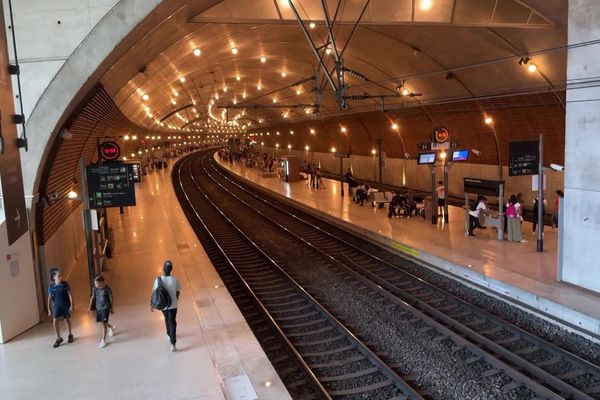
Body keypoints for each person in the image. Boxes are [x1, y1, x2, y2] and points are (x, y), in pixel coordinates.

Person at [152, 260, 181, 352]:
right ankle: (173, 344)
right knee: (172, 322)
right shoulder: (175, 280)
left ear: (163, 269)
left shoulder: (158, 280)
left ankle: (169, 333)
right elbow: (177, 292)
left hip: (163, 305)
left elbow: (155, 292)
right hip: (173, 305)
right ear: (171, 269)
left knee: (167, 318)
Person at [87, 275, 116, 348]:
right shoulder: (95, 289)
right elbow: (93, 297)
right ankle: (111, 327)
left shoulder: (107, 289)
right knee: (102, 322)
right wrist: (89, 307)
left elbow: (111, 298)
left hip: (105, 308)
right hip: (98, 308)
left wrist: (112, 308)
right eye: (95, 283)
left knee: (104, 324)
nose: (95, 285)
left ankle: (103, 340)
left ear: (101, 282)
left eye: (96, 283)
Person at [47, 272, 74, 348]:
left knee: (66, 319)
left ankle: (70, 334)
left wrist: (71, 305)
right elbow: (49, 298)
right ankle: (58, 338)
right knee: (55, 321)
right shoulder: (51, 286)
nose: (60, 278)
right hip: (56, 306)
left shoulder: (65, 284)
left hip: (65, 304)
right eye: (59, 276)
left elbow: (70, 294)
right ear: (54, 277)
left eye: (61, 276)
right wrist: (49, 309)